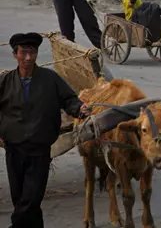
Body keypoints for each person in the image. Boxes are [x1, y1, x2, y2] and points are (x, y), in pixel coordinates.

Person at [0, 32, 88, 228]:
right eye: (24, 53)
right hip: (13, 150)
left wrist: (79, 108)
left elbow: (69, 100)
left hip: (39, 150)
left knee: (31, 197)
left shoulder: (50, 79)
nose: (28, 58)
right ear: (15, 55)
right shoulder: (5, 81)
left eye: (33, 52)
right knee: (20, 197)